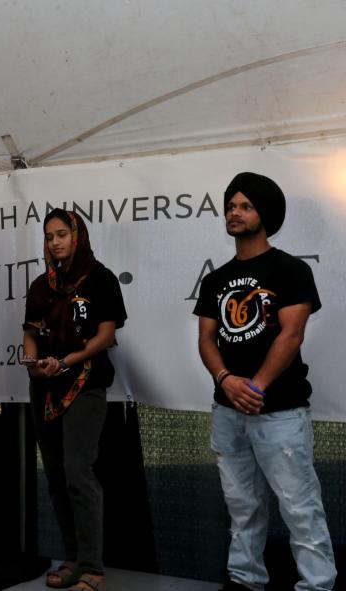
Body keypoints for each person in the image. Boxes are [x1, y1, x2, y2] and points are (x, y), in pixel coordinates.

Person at [194, 173, 336, 591]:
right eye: (231, 205)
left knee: (300, 506)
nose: (235, 212)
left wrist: (253, 387)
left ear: (265, 215)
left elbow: (291, 334)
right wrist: (226, 380)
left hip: (280, 412)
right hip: (227, 411)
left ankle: (318, 585)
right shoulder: (215, 279)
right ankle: (245, 580)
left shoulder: (289, 269)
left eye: (246, 206)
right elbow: (206, 338)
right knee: (241, 506)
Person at [23, 209, 126, 591]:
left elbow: (105, 336)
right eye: (49, 236)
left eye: (62, 234)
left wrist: (66, 360)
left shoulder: (101, 279)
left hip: (85, 383)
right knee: (55, 475)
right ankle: (71, 559)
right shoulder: (40, 286)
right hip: (44, 387)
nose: (55, 242)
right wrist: (34, 364)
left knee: (78, 472)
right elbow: (31, 333)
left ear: (78, 236)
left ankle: (93, 568)